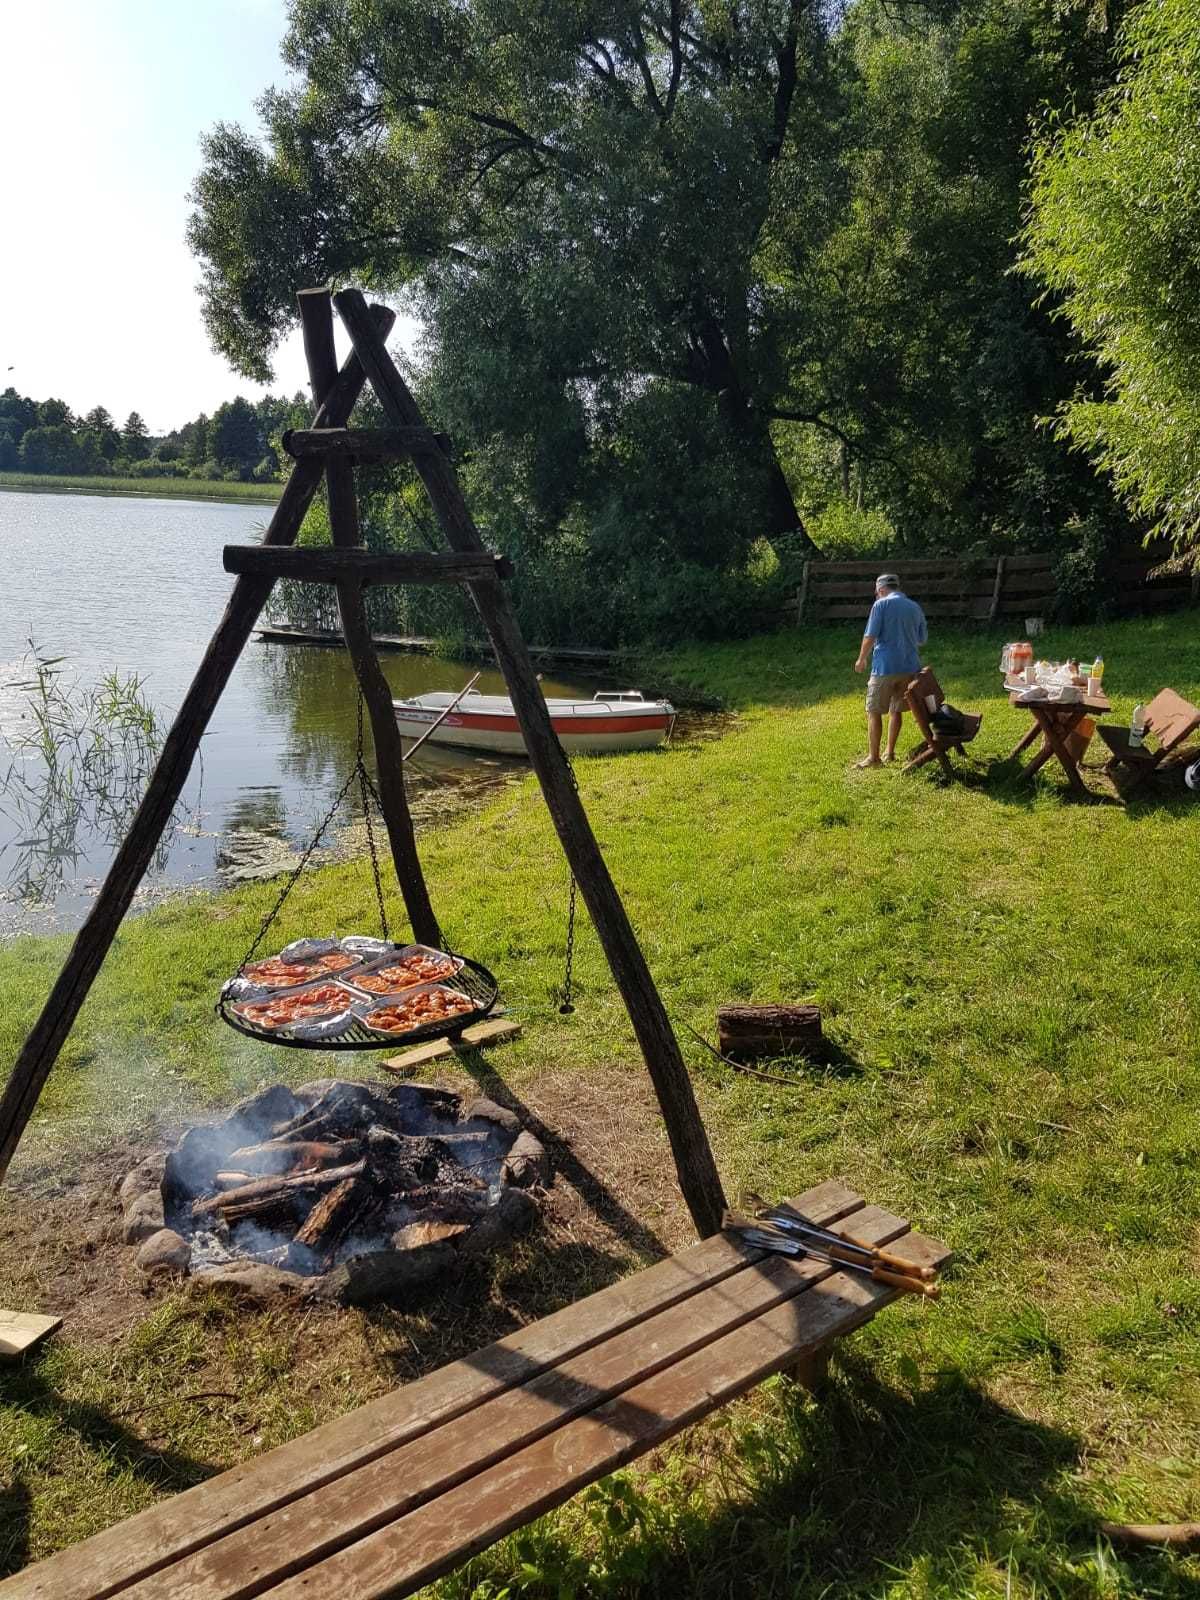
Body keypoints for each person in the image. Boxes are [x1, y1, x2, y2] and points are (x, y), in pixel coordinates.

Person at [853, 573, 927, 768]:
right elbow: (922, 639)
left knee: (874, 711)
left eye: (877, 593)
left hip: (885, 667)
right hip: (910, 667)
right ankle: (890, 752)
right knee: (896, 709)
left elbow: (870, 635)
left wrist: (861, 659)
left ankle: (874, 758)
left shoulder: (881, 605)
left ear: (881, 590)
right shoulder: (915, 607)